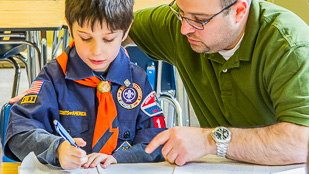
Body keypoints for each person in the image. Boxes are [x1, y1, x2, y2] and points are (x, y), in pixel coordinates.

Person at [123, 0, 309, 166]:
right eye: (180, 13)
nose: (184, 29)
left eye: (199, 19)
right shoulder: (178, 24)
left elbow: (302, 142)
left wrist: (209, 141)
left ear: (239, 12)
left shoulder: (290, 47)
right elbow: (110, 25)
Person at [4, 0, 166, 170]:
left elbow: (157, 141)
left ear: (126, 30)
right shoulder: (53, 76)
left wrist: (121, 158)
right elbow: (18, 133)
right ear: (70, 26)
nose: (97, 50)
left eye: (108, 39)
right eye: (85, 38)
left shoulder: (137, 80)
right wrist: (57, 149)